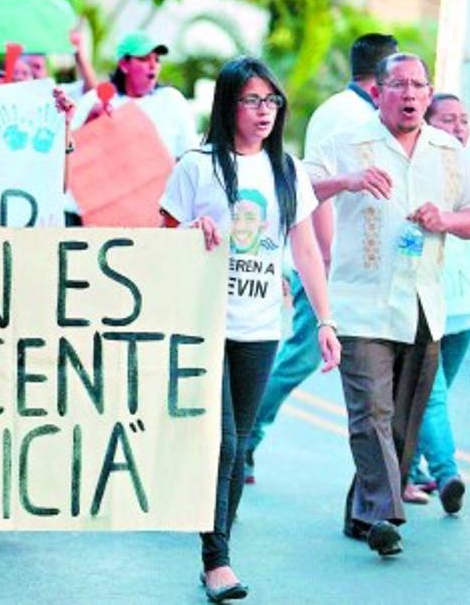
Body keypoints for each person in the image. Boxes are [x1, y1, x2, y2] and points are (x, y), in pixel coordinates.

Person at [160, 56, 340, 602]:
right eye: (252, 100)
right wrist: (192, 230)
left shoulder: (286, 170)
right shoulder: (197, 166)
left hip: (260, 326)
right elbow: (161, 236)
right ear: (228, 105)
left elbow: (305, 250)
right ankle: (217, 561)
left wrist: (325, 320)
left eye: (271, 101)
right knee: (224, 441)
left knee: (236, 447)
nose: (264, 111)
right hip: (202, 321)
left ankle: (217, 545)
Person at [306, 53, 470, 557]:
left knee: (402, 422)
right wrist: (346, 181)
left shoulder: (448, 151)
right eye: (398, 85)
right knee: (372, 411)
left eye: (418, 86)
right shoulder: (347, 142)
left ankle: (362, 514)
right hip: (360, 304)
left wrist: (445, 220)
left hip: (423, 305)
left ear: (428, 94)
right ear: (378, 92)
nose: (409, 94)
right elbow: (299, 190)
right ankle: (386, 516)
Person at [244, 33, 399, 485]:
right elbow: (313, 190)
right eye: (399, 79)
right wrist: (326, 264)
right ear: (381, 78)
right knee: (300, 358)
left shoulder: (363, 113)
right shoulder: (344, 116)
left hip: (361, 267)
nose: (406, 91)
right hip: (331, 265)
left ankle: (413, 469)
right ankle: (245, 440)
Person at [407, 92, 470, 514]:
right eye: (448, 119)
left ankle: (408, 472)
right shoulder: (420, 169)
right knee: (430, 396)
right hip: (428, 305)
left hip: (467, 309)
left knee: (430, 397)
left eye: (464, 119)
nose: (458, 127)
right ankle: (447, 473)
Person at [70, 30, 198, 161]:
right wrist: (90, 122)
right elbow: (70, 151)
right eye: (144, 59)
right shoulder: (96, 99)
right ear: (124, 65)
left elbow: (189, 155)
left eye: (157, 59)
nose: (153, 65)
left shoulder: (172, 99)